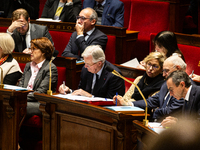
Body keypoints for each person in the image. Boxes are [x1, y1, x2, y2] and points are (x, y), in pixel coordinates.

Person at [114, 56, 188, 121]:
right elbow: (151, 101)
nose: (163, 74)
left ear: (178, 69)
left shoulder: (184, 86)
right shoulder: (165, 85)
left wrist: (155, 111)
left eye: (166, 71)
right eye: (163, 71)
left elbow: (172, 110)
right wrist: (127, 104)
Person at [59, 45, 125, 99]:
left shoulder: (114, 76)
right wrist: (69, 91)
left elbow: (112, 102)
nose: (85, 66)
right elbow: (80, 91)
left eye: (88, 64)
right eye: (85, 63)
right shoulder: (86, 70)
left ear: (99, 63)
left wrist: (91, 97)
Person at [18, 37, 58, 118]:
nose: (31, 52)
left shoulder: (50, 68)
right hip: (24, 100)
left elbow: (40, 92)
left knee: (16, 107)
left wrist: (20, 98)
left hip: (40, 103)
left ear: (43, 52)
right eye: (30, 48)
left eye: (34, 49)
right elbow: (21, 85)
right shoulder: (28, 65)